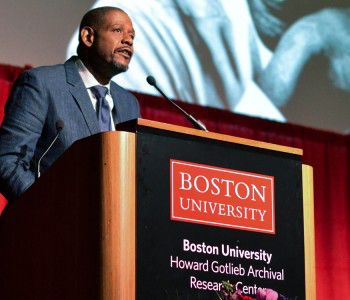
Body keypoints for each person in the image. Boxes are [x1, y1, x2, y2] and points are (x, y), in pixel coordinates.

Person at [0, 6, 140, 201]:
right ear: (88, 36)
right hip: (47, 225)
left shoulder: (129, 104)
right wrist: (48, 211)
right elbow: (8, 160)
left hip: (111, 227)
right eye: (118, 30)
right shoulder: (42, 83)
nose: (128, 40)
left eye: (132, 35)